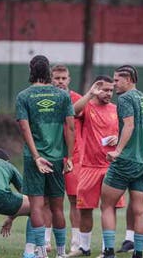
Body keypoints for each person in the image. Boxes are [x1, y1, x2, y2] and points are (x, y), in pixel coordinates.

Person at [16, 55, 75, 258]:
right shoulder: (62, 96)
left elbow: (25, 129)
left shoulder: (23, 96)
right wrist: (70, 157)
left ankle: (41, 252)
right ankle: (60, 253)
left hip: (35, 161)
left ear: (31, 70)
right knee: (58, 208)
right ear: (49, 72)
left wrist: (35, 157)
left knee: (37, 207)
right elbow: (70, 127)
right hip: (58, 159)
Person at [100, 65, 143, 258]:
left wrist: (117, 151)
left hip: (126, 161)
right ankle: (138, 254)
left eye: (117, 80)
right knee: (140, 210)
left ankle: (109, 252)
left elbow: (129, 125)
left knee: (107, 205)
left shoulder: (125, 98)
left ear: (129, 80)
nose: (114, 83)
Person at [68, 75, 125, 257]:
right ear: (96, 89)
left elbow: (126, 131)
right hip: (89, 167)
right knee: (84, 208)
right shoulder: (88, 106)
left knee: (110, 209)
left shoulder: (117, 109)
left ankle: (106, 249)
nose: (109, 93)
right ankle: (84, 247)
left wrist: (119, 138)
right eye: (104, 90)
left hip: (111, 167)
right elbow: (71, 111)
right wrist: (89, 94)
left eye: (110, 90)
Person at [51, 64, 83, 252]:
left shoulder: (78, 99)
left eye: (64, 78)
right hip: (51, 156)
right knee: (48, 200)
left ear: (69, 79)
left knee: (74, 200)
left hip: (75, 157)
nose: (60, 82)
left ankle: (76, 242)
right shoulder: (45, 99)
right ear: (51, 79)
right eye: (57, 78)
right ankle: (46, 241)